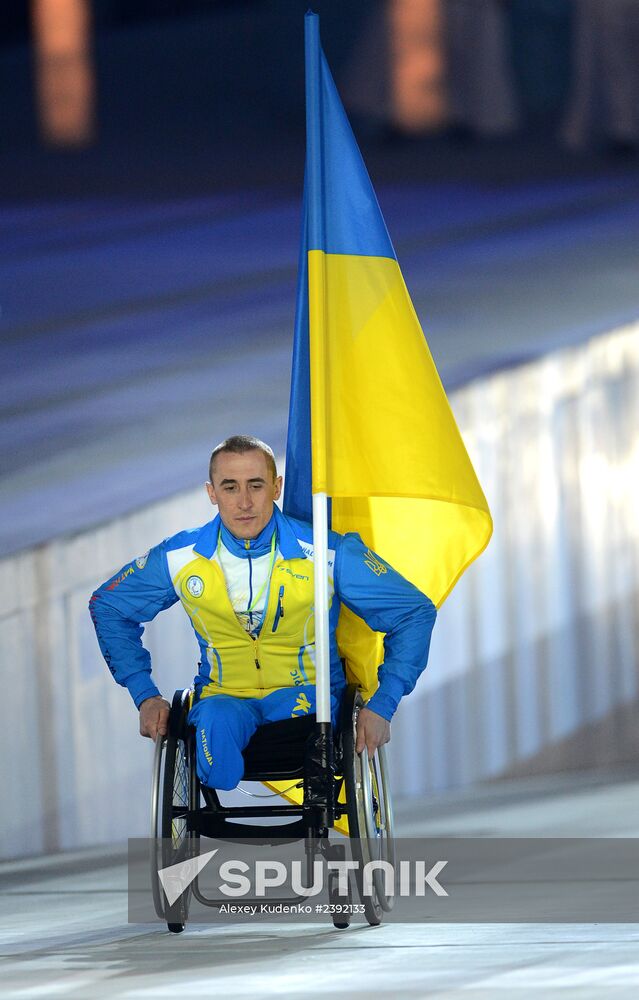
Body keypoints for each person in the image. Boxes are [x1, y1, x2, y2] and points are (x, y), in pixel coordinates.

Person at [89, 435, 437, 791]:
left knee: (310, 746)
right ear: (212, 493)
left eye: (256, 485)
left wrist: (383, 704)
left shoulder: (329, 551)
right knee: (216, 760)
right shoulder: (181, 557)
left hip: (307, 705)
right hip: (224, 700)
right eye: (230, 487)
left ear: (276, 487)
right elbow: (108, 605)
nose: (244, 502)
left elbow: (414, 611)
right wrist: (144, 694)